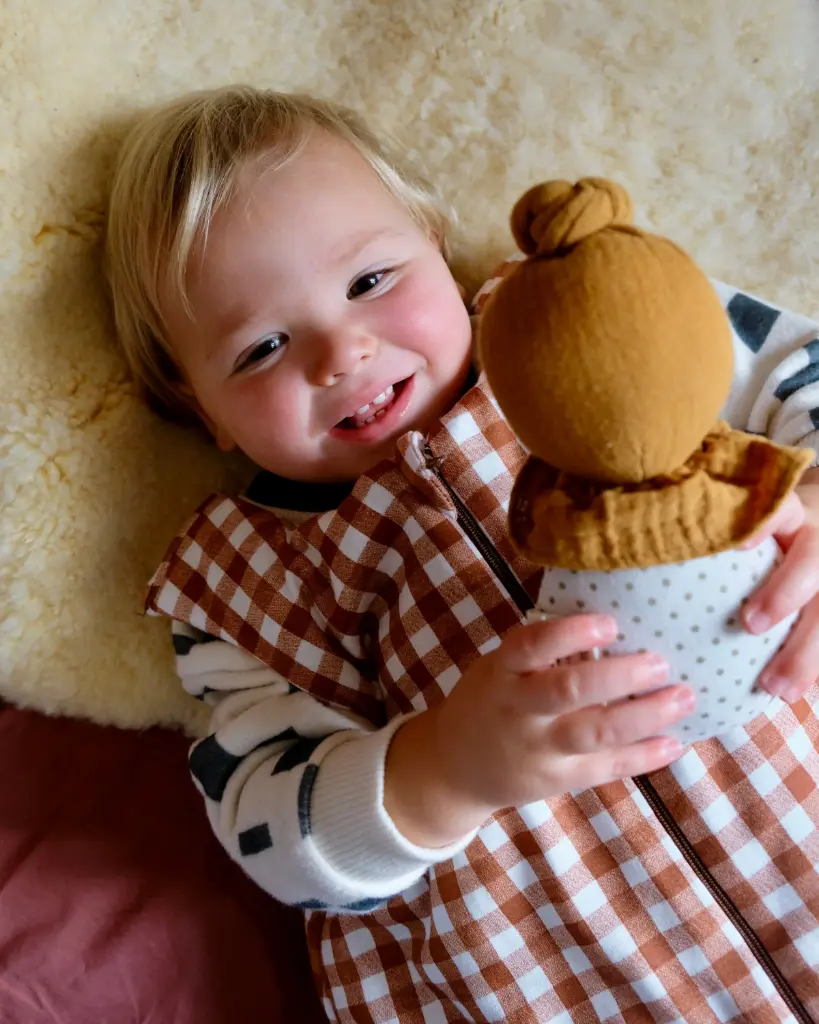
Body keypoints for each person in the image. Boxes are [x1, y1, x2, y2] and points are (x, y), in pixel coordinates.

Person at [105, 85, 819, 1023]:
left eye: (370, 281)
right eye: (262, 347)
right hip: (560, 975)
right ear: (201, 411)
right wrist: (442, 771)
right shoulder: (251, 585)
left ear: (436, 245)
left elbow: (791, 369)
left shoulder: (573, 322)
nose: (341, 352)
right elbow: (268, 830)